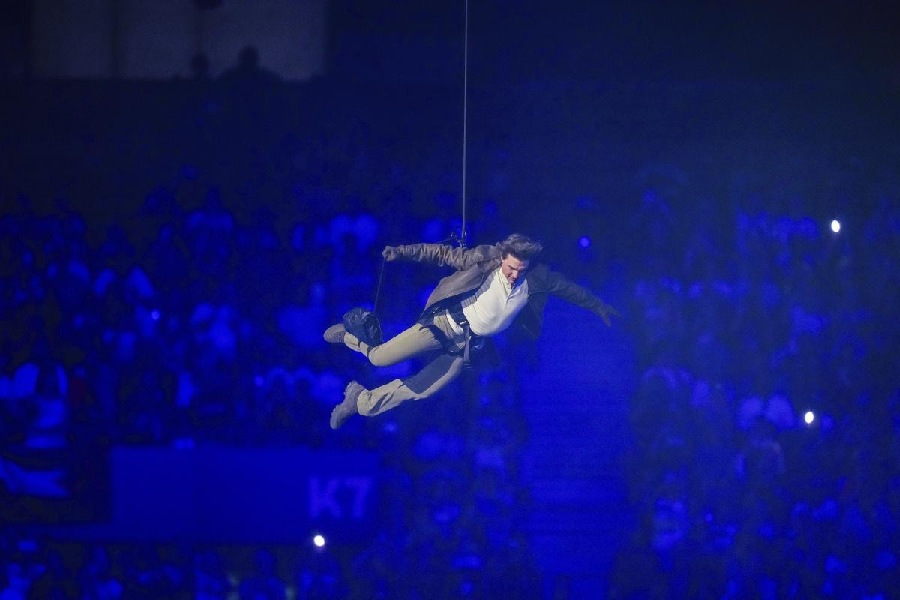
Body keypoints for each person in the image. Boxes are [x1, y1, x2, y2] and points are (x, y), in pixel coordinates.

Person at [324, 233, 619, 429]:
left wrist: (599, 307)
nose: (515, 275)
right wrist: (402, 251)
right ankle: (346, 336)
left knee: (422, 389)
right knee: (379, 358)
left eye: (521, 270)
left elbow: (569, 289)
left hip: (465, 345)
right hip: (442, 325)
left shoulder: (536, 279)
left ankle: (359, 401)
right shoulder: (486, 260)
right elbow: (441, 254)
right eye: (511, 268)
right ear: (503, 257)